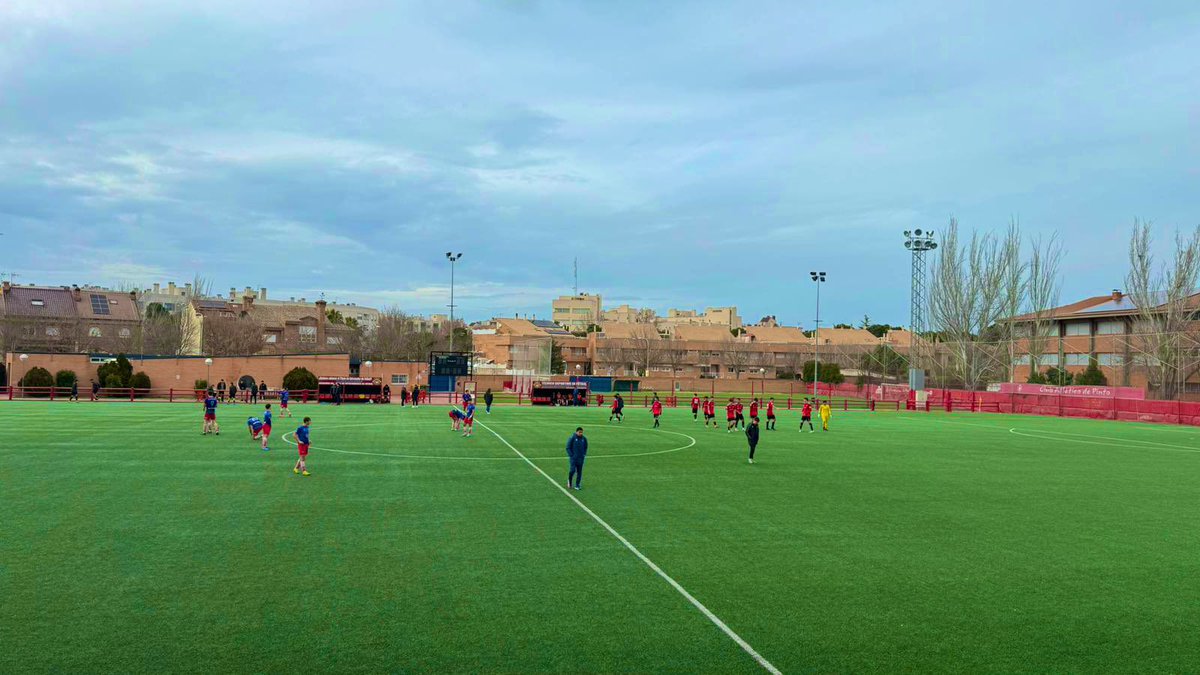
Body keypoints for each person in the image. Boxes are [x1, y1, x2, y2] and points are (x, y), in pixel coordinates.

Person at [566, 427, 587, 491]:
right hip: (574, 459)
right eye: (579, 432)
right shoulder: (572, 438)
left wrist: (584, 454)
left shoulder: (584, 439)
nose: (581, 433)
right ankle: (569, 481)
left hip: (581, 458)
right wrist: (571, 455)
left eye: (582, 432)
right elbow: (568, 447)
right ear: (576, 432)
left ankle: (577, 485)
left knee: (579, 472)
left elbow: (586, 447)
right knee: (572, 470)